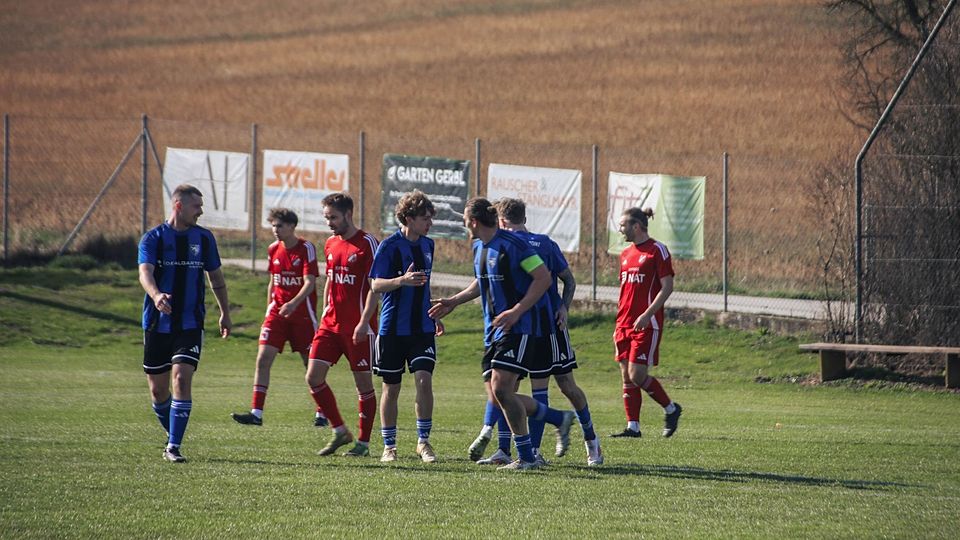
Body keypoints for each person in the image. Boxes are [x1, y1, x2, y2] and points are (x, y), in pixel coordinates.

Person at [430, 197, 575, 471]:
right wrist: (453, 302)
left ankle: (526, 457)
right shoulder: (478, 247)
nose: (463, 223)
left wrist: (516, 311)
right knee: (499, 396)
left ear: (473, 221)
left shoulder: (514, 245)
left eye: (464, 218)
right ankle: (556, 419)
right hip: (492, 330)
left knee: (502, 390)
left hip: (518, 329)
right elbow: (480, 283)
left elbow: (543, 278)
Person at [464, 198, 602, 466]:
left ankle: (589, 442)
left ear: (501, 221)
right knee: (507, 387)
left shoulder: (536, 244)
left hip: (547, 327)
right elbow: (485, 281)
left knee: (561, 386)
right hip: (520, 327)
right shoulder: (494, 245)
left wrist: (563, 307)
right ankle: (508, 450)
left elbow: (562, 279)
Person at [138, 184, 231, 463]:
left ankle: (173, 447)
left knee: (181, 377)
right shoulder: (153, 238)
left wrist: (225, 312)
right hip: (157, 323)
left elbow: (216, 278)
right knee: (158, 390)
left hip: (190, 323)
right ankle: (173, 435)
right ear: (179, 206)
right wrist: (156, 296)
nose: (201, 211)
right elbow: (145, 273)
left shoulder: (203, 238)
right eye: (196, 206)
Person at [231, 208, 327, 428]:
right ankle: (256, 413)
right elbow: (273, 282)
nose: (276, 230)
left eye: (280, 225)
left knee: (310, 364)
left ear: (292, 226)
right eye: (273, 225)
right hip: (277, 314)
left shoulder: (306, 248)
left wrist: (294, 303)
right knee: (263, 359)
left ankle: (322, 412)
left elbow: (310, 282)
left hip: (302, 314)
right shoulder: (273, 249)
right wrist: (268, 310)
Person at [307, 193, 381, 457]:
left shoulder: (367, 244)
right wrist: (325, 310)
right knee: (313, 376)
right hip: (330, 324)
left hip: (358, 327)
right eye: (327, 217)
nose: (329, 223)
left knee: (363, 385)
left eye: (333, 217)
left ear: (348, 214)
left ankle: (363, 443)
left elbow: (376, 287)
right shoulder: (329, 244)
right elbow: (330, 279)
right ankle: (339, 430)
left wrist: (364, 322)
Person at [370, 190, 441, 463]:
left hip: (422, 327)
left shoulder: (428, 245)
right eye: (425, 218)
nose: (429, 223)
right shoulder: (389, 246)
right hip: (392, 329)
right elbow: (376, 285)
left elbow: (424, 285)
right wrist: (401, 280)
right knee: (392, 387)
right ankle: (389, 446)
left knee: (424, 379)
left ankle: (423, 442)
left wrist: (435, 313)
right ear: (408, 218)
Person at [614, 207, 682, 438]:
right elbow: (626, 291)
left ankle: (671, 409)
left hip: (647, 323)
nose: (620, 229)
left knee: (637, 375)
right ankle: (633, 427)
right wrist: (619, 322)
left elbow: (667, 287)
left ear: (636, 226)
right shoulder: (625, 254)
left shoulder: (657, 250)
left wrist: (647, 314)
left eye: (623, 225)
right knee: (626, 376)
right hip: (623, 324)